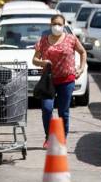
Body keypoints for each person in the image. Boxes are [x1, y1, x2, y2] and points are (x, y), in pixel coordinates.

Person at [32, 14, 87, 148]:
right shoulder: (43, 41)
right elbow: (34, 60)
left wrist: (80, 69)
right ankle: (49, 137)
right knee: (47, 108)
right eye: (54, 24)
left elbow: (83, 52)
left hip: (67, 80)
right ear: (50, 25)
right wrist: (42, 62)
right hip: (48, 81)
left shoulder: (71, 39)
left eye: (59, 24)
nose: (57, 26)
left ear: (63, 26)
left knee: (63, 111)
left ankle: (62, 138)